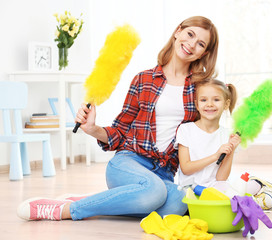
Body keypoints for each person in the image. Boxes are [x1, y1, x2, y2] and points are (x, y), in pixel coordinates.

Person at [17, 16, 219, 221]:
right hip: (129, 163)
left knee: (178, 204)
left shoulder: (200, 90)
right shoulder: (144, 79)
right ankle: (65, 210)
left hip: (164, 172)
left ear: (205, 52)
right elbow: (120, 131)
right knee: (154, 192)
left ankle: (103, 200)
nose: (191, 44)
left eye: (200, 43)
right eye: (190, 34)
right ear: (178, 31)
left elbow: (203, 134)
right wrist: (92, 128)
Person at [175, 79, 272, 210]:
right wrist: (215, 156)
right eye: (203, 100)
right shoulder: (185, 130)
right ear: (197, 104)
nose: (209, 104)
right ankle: (254, 197)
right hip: (189, 190)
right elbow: (186, 168)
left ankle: (257, 186)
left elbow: (221, 178)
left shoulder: (227, 135)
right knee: (227, 199)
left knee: (227, 196)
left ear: (226, 104)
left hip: (217, 188)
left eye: (216, 100)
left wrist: (231, 149)